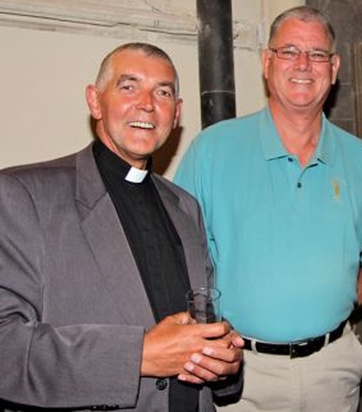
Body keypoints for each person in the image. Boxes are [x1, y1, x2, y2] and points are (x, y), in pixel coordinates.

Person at [175, 6, 362, 412]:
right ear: (267, 63)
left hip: (332, 369)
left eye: (317, 54)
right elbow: (176, 254)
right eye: (289, 51)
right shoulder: (211, 151)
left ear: (334, 68)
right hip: (239, 374)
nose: (304, 64)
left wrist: (338, 300)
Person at [0, 42, 243, 411]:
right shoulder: (24, 195)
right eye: (128, 86)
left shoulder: (185, 207)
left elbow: (203, 321)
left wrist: (225, 364)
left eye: (163, 92)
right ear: (95, 101)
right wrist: (138, 355)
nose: (147, 103)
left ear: (175, 114)